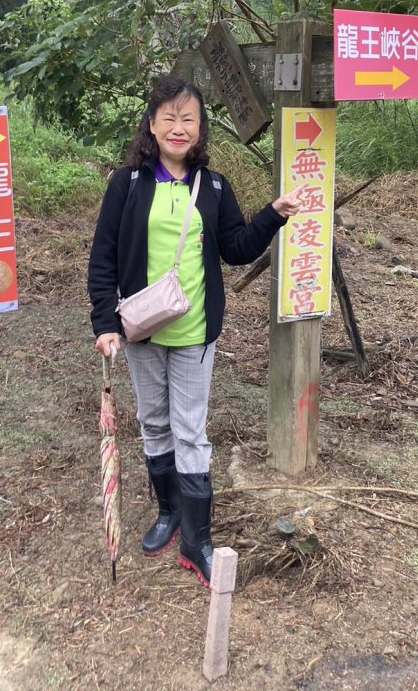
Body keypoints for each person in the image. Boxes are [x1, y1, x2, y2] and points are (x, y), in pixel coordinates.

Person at [88, 74, 302, 588]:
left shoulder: (216, 187)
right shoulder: (129, 184)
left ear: (200, 128)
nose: (179, 127)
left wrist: (272, 216)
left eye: (189, 119)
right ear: (153, 124)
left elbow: (235, 248)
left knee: (190, 430)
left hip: (195, 333)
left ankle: (197, 540)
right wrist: (104, 323)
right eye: (169, 117)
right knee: (155, 424)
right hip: (139, 329)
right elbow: (104, 259)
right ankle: (168, 514)